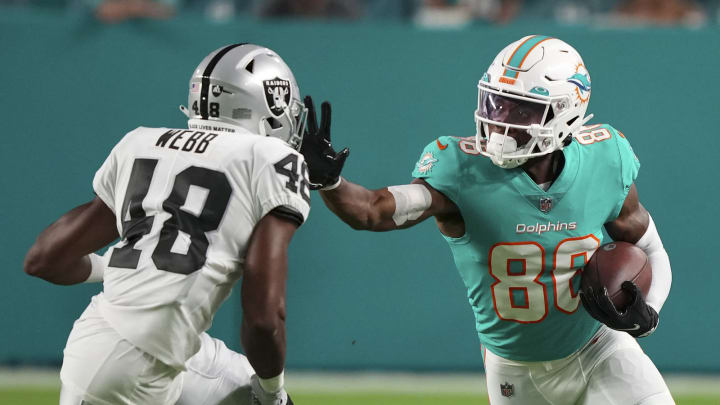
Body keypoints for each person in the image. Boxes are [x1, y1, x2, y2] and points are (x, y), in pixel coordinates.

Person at [300, 35, 674, 404]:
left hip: (599, 348)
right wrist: (331, 182)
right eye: (496, 104)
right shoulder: (462, 171)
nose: (499, 122)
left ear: (565, 112)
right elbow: (372, 210)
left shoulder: (604, 159)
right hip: (517, 371)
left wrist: (649, 311)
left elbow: (651, 248)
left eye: (520, 110)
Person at [24, 43, 315, 405]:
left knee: (242, 390)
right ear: (266, 107)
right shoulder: (272, 159)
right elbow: (263, 318)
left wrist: (113, 267)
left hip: (107, 347)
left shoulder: (141, 143)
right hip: (128, 374)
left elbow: (44, 259)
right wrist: (273, 392)